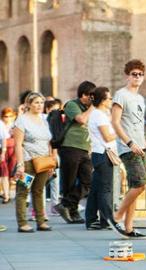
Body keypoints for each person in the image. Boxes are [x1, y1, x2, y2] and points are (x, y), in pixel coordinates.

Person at [111, 59, 146, 239]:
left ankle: (128, 228)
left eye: (140, 74)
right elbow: (115, 122)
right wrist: (129, 143)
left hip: (141, 147)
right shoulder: (121, 95)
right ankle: (116, 216)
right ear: (127, 76)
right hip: (128, 147)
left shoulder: (140, 99)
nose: (137, 77)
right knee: (140, 185)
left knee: (135, 187)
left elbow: (140, 126)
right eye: (134, 74)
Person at [54, 81, 95, 224]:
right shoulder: (72, 105)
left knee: (88, 181)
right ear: (83, 95)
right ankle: (73, 212)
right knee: (69, 182)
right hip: (70, 147)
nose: (92, 99)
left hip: (85, 149)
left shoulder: (90, 108)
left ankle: (65, 204)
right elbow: (81, 119)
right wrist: (93, 108)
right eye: (91, 96)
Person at [13, 92, 54, 232]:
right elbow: (18, 144)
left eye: (41, 103)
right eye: (36, 102)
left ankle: (41, 221)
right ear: (29, 104)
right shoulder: (22, 120)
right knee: (23, 191)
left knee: (39, 191)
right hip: (28, 161)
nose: (39, 105)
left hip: (43, 161)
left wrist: (51, 160)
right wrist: (20, 165)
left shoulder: (44, 119)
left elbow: (48, 141)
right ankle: (22, 223)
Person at [85, 87, 123, 233]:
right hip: (103, 154)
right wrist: (120, 133)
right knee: (106, 189)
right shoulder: (99, 115)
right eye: (109, 98)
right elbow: (107, 136)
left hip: (100, 153)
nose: (111, 100)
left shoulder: (101, 114)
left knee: (96, 188)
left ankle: (91, 219)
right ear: (102, 100)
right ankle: (108, 220)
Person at [0, 107, 17, 204]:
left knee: (14, 173)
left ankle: (26, 196)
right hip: (3, 150)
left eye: (10, 116)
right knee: (4, 172)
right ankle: (6, 195)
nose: (8, 118)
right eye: (6, 116)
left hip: (15, 151)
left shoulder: (16, 124)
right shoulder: (1, 125)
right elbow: (3, 139)